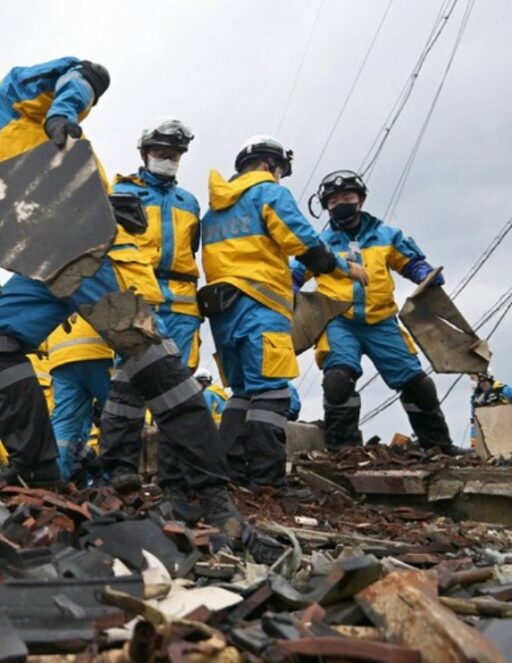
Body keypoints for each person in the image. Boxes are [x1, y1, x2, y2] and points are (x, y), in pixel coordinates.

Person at [0, 58, 243, 536]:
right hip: (43, 271)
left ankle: (210, 492)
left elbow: (87, 72)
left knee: (153, 366)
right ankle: (37, 470)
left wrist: (61, 113)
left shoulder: (8, 99)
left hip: (94, 249)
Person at [200, 137, 368, 492]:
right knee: (272, 393)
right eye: (279, 171)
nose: (279, 177)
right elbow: (301, 240)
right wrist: (340, 268)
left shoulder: (214, 209)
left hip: (223, 310)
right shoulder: (268, 194)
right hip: (260, 307)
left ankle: (229, 474)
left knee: (243, 393)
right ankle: (267, 481)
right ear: (268, 165)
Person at [292, 170, 461, 454]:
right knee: (337, 378)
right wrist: (290, 288)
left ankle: (439, 446)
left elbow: (410, 262)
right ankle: (343, 448)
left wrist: (422, 272)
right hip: (339, 321)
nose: (341, 204)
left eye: (348, 197)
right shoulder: (318, 243)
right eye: (333, 201)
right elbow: (297, 272)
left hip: (381, 320)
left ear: (360, 199)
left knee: (417, 383)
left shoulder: (386, 235)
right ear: (326, 207)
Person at [99, 117, 205, 493]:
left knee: (180, 387)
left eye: (175, 154)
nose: (168, 159)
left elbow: (192, 251)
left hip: (183, 301)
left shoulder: (189, 201)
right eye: (161, 152)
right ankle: (118, 471)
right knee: (128, 381)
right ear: (144, 154)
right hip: (137, 293)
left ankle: (176, 478)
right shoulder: (122, 190)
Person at [46, 314, 114, 479]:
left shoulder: (49, 288)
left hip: (61, 356)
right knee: (116, 415)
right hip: (99, 351)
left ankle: (57, 477)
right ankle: (114, 479)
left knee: (64, 423)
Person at [469, 370, 512, 446]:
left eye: (473, 378)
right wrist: (474, 440)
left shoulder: (503, 390)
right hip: (490, 436)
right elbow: (475, 421)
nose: (471, 382)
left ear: (482, 377)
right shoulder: (475, 399)